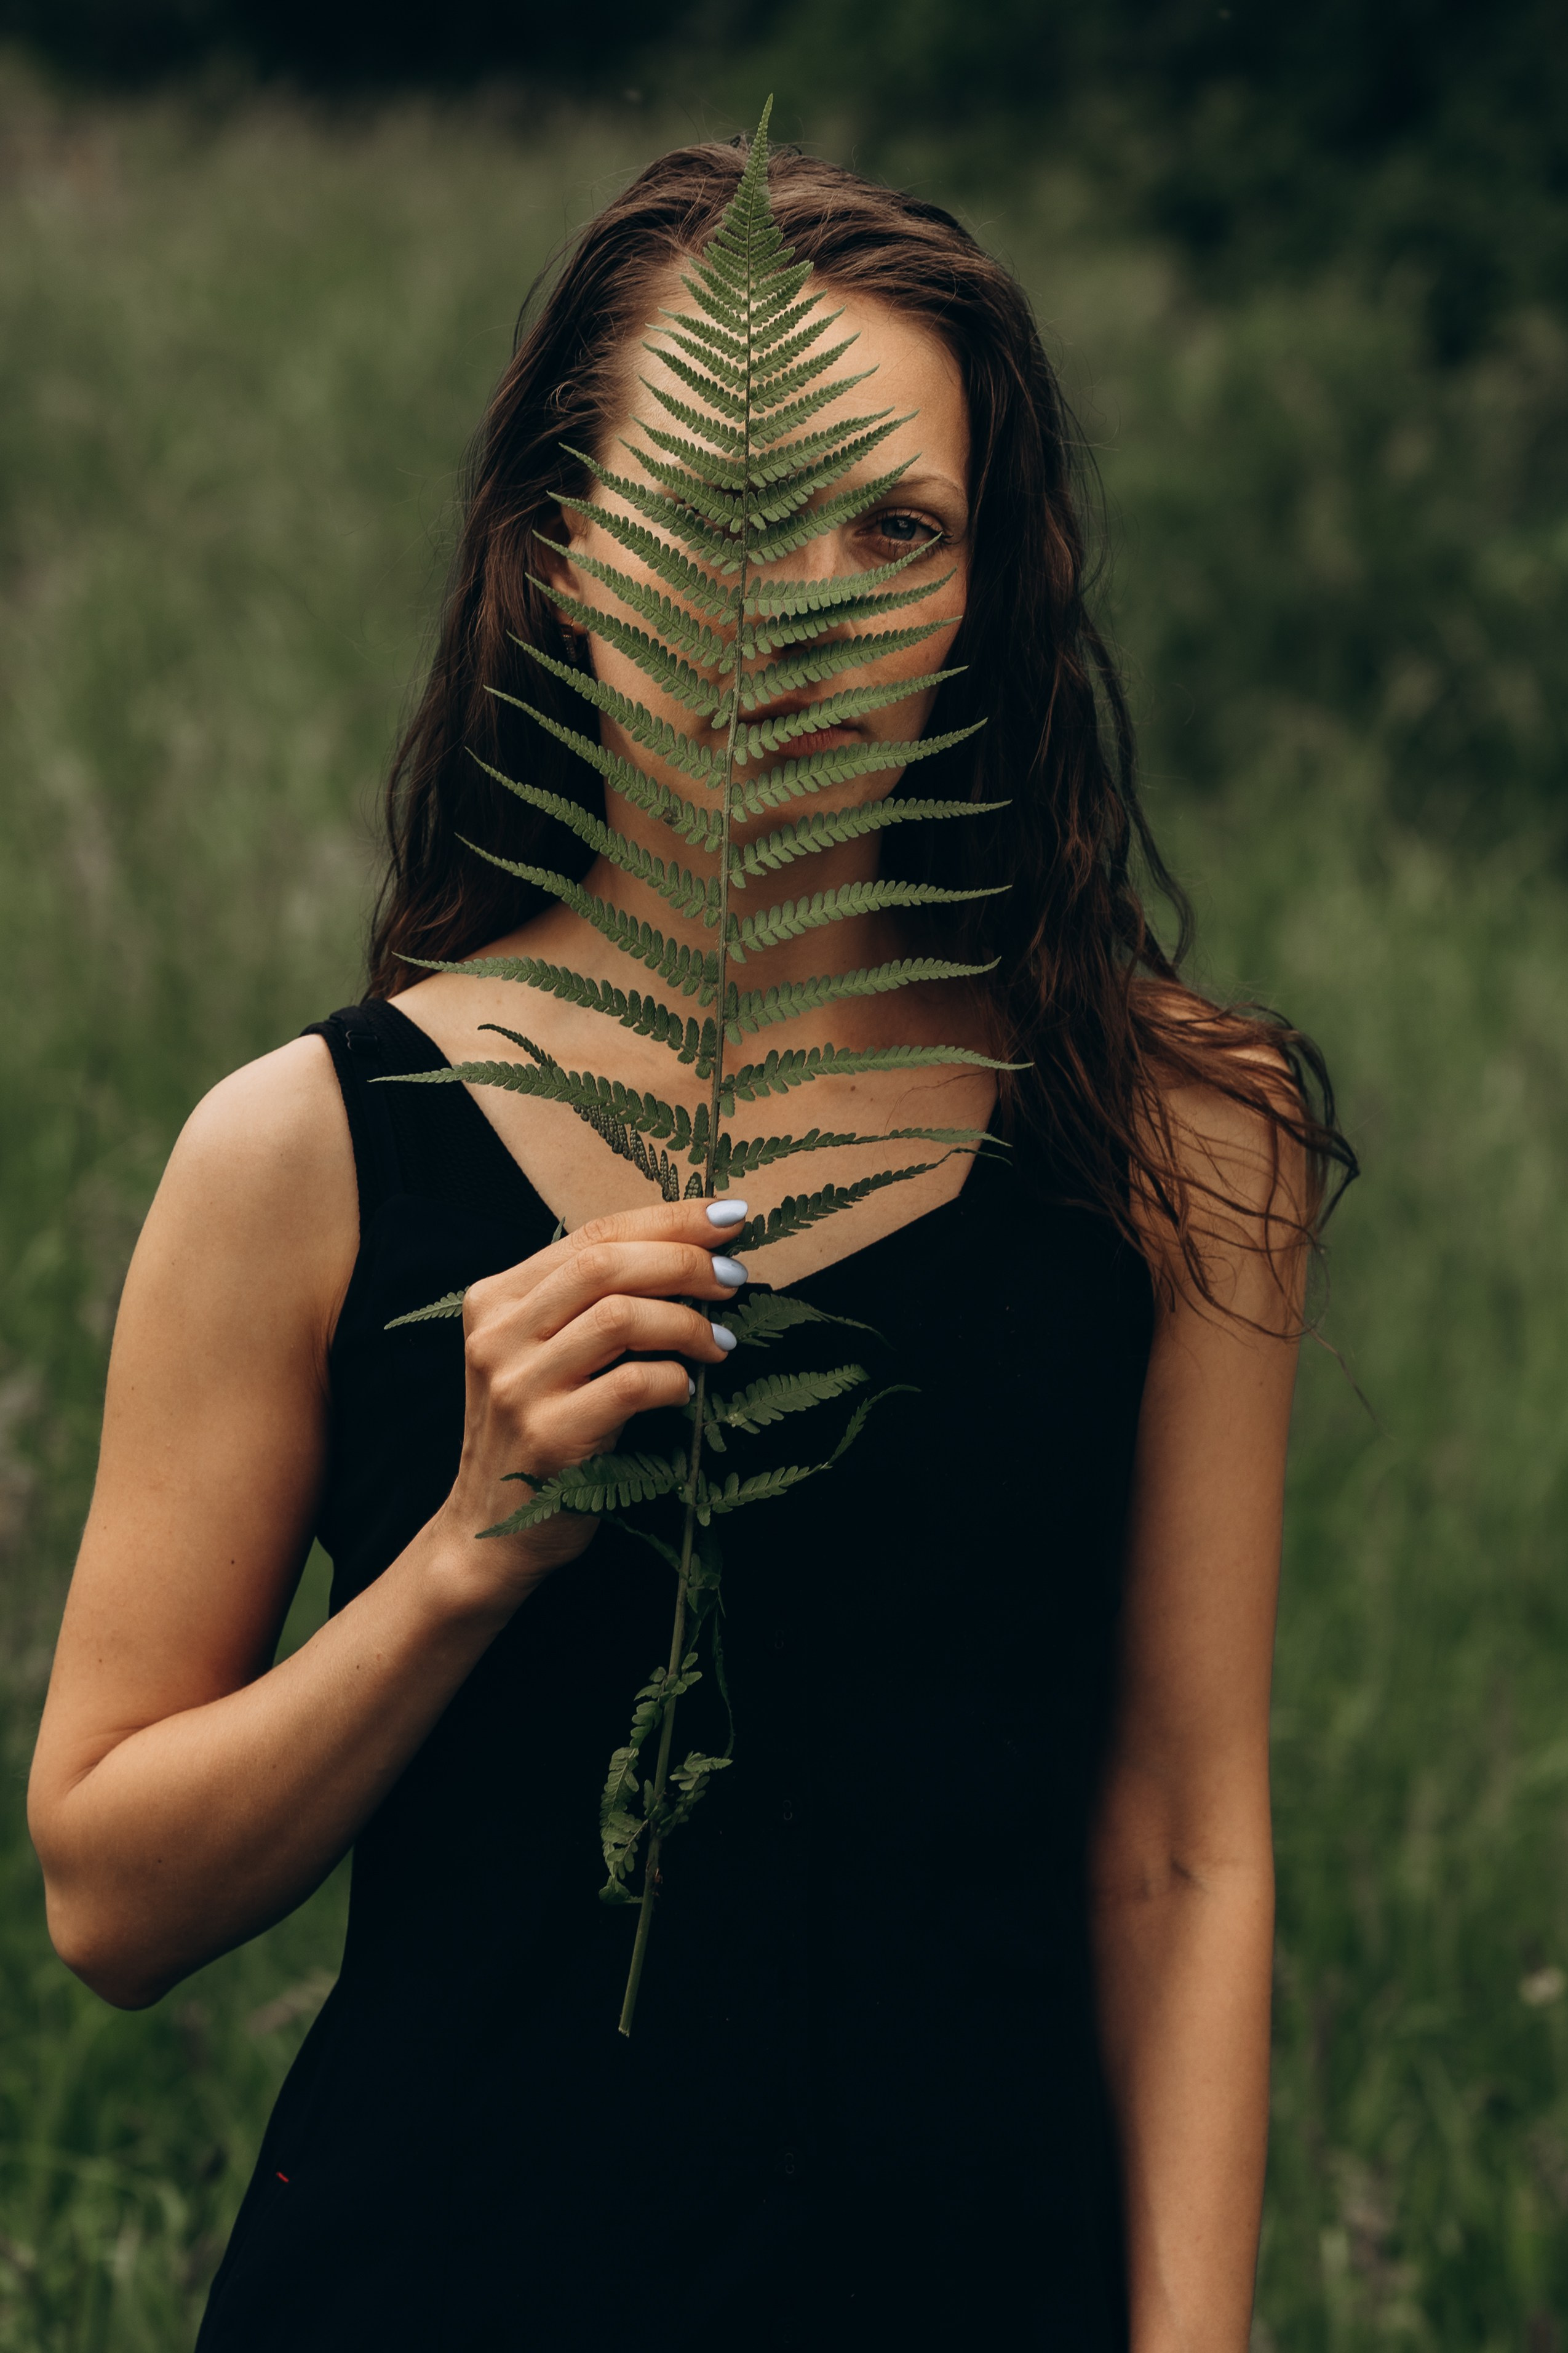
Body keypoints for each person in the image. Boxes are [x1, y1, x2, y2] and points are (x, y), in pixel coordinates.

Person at [27, 134, 1352, 2351]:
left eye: (896, 527)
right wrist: (465, 1548)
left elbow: (1186, 1836)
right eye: (731, 511)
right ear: (558, 555)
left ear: (978, 588)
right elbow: (108, 1893)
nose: (810, 600)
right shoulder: (311, 1150)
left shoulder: (1179, 1132)